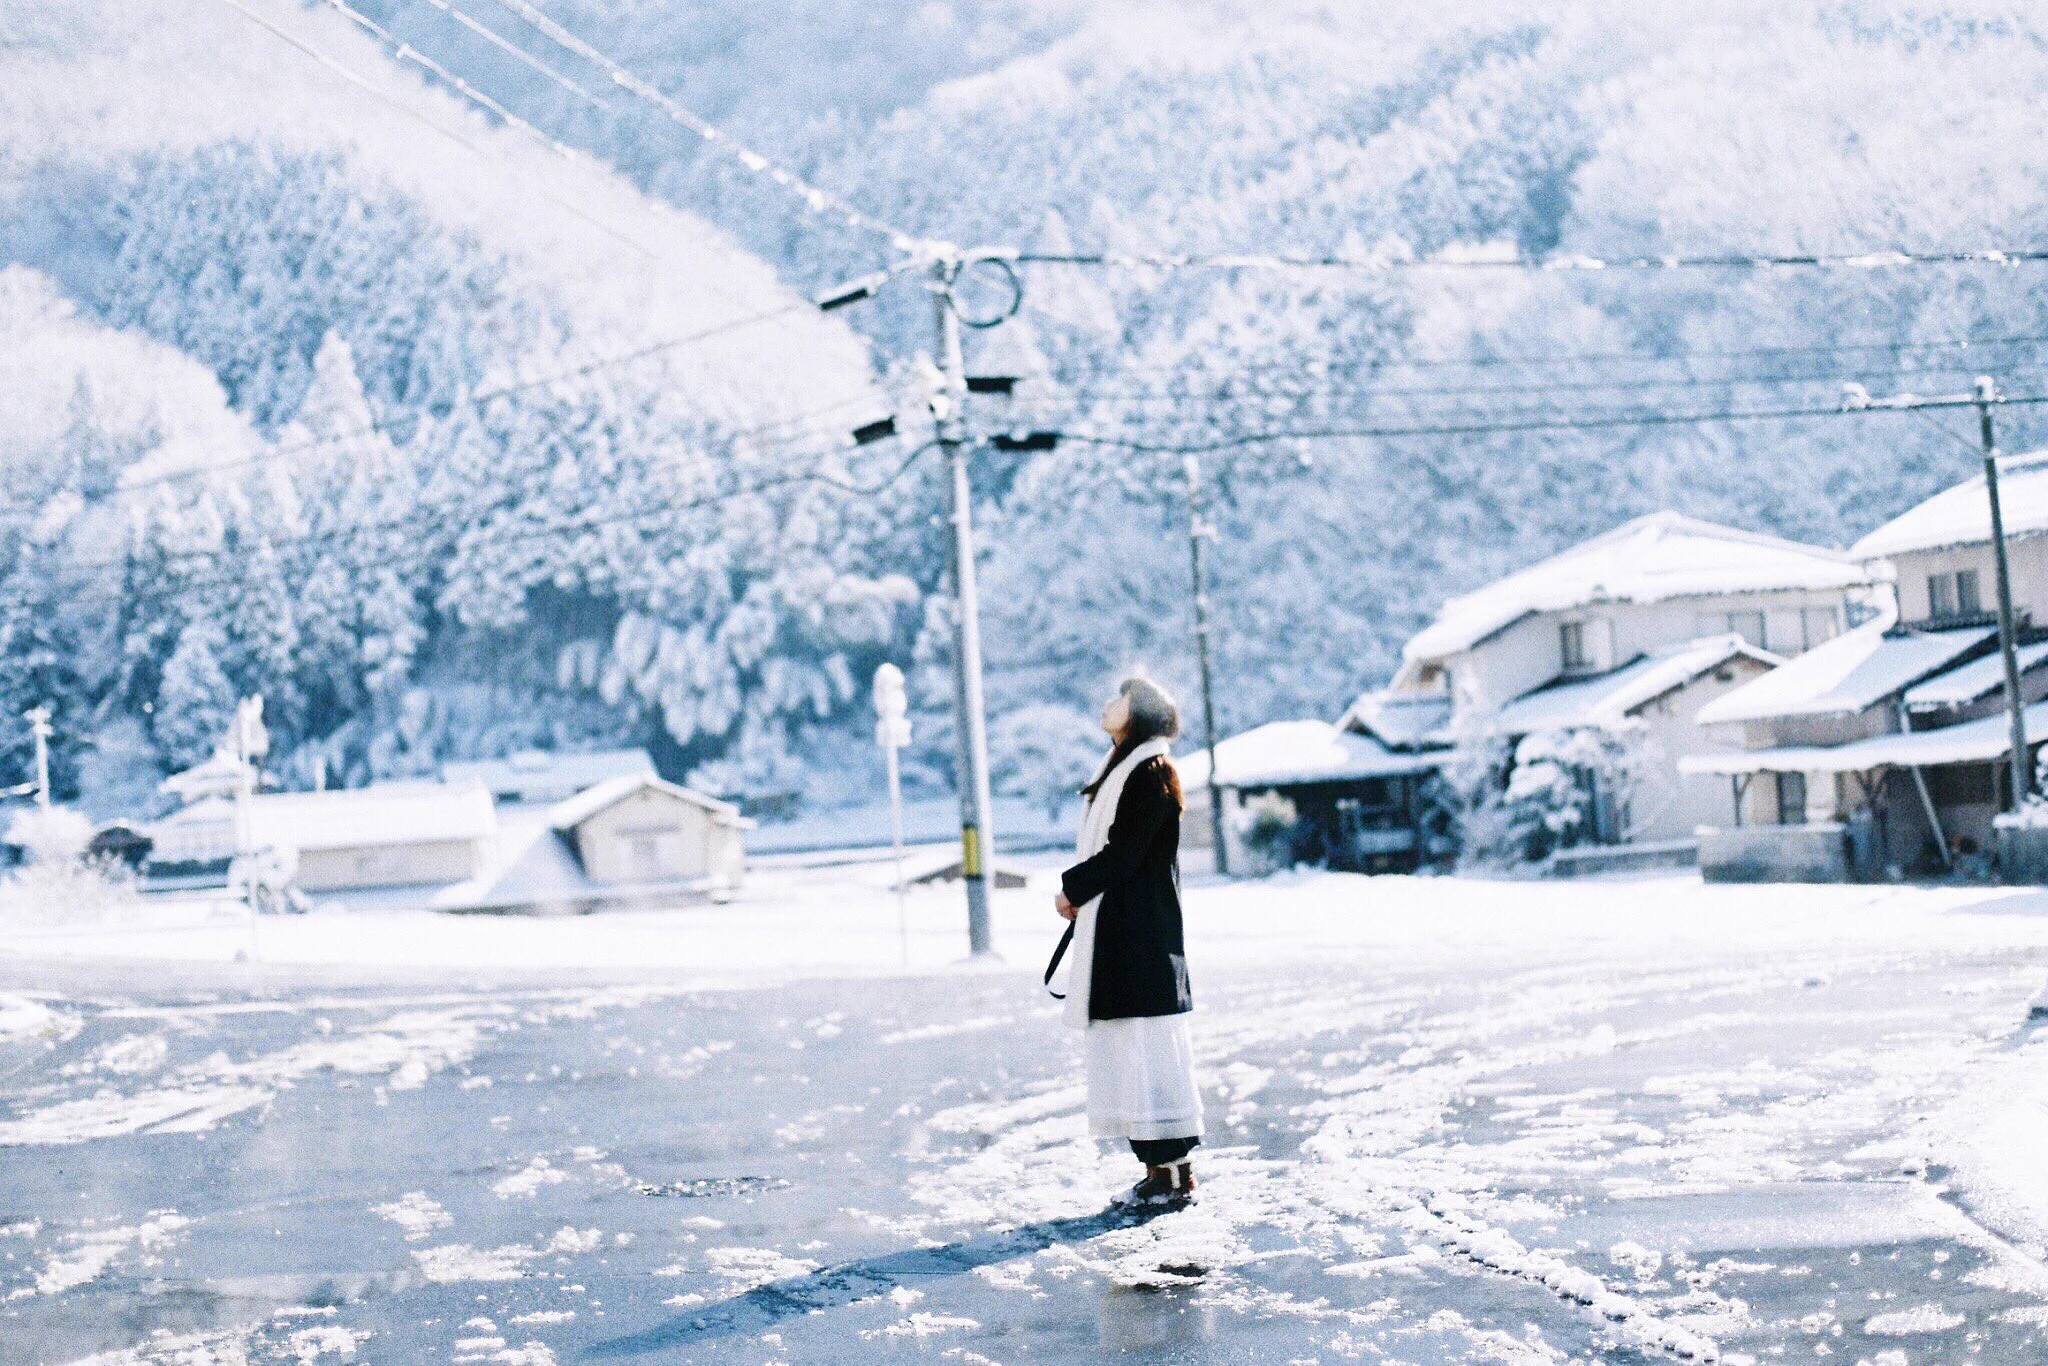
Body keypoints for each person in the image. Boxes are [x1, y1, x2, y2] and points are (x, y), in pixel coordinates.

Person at [1047, 677, 1203, 1208]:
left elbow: (1127, 852)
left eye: (1119, 698)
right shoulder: (1128, 771)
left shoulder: (1149, 773)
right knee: (1136, 1053)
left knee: (1147, 1053)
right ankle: (1162, 1170)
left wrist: (1073, 888)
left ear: (1137, 715)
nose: (1106, 703)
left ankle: (1172, 1174)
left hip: (1142, 938)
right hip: (1129, 935)